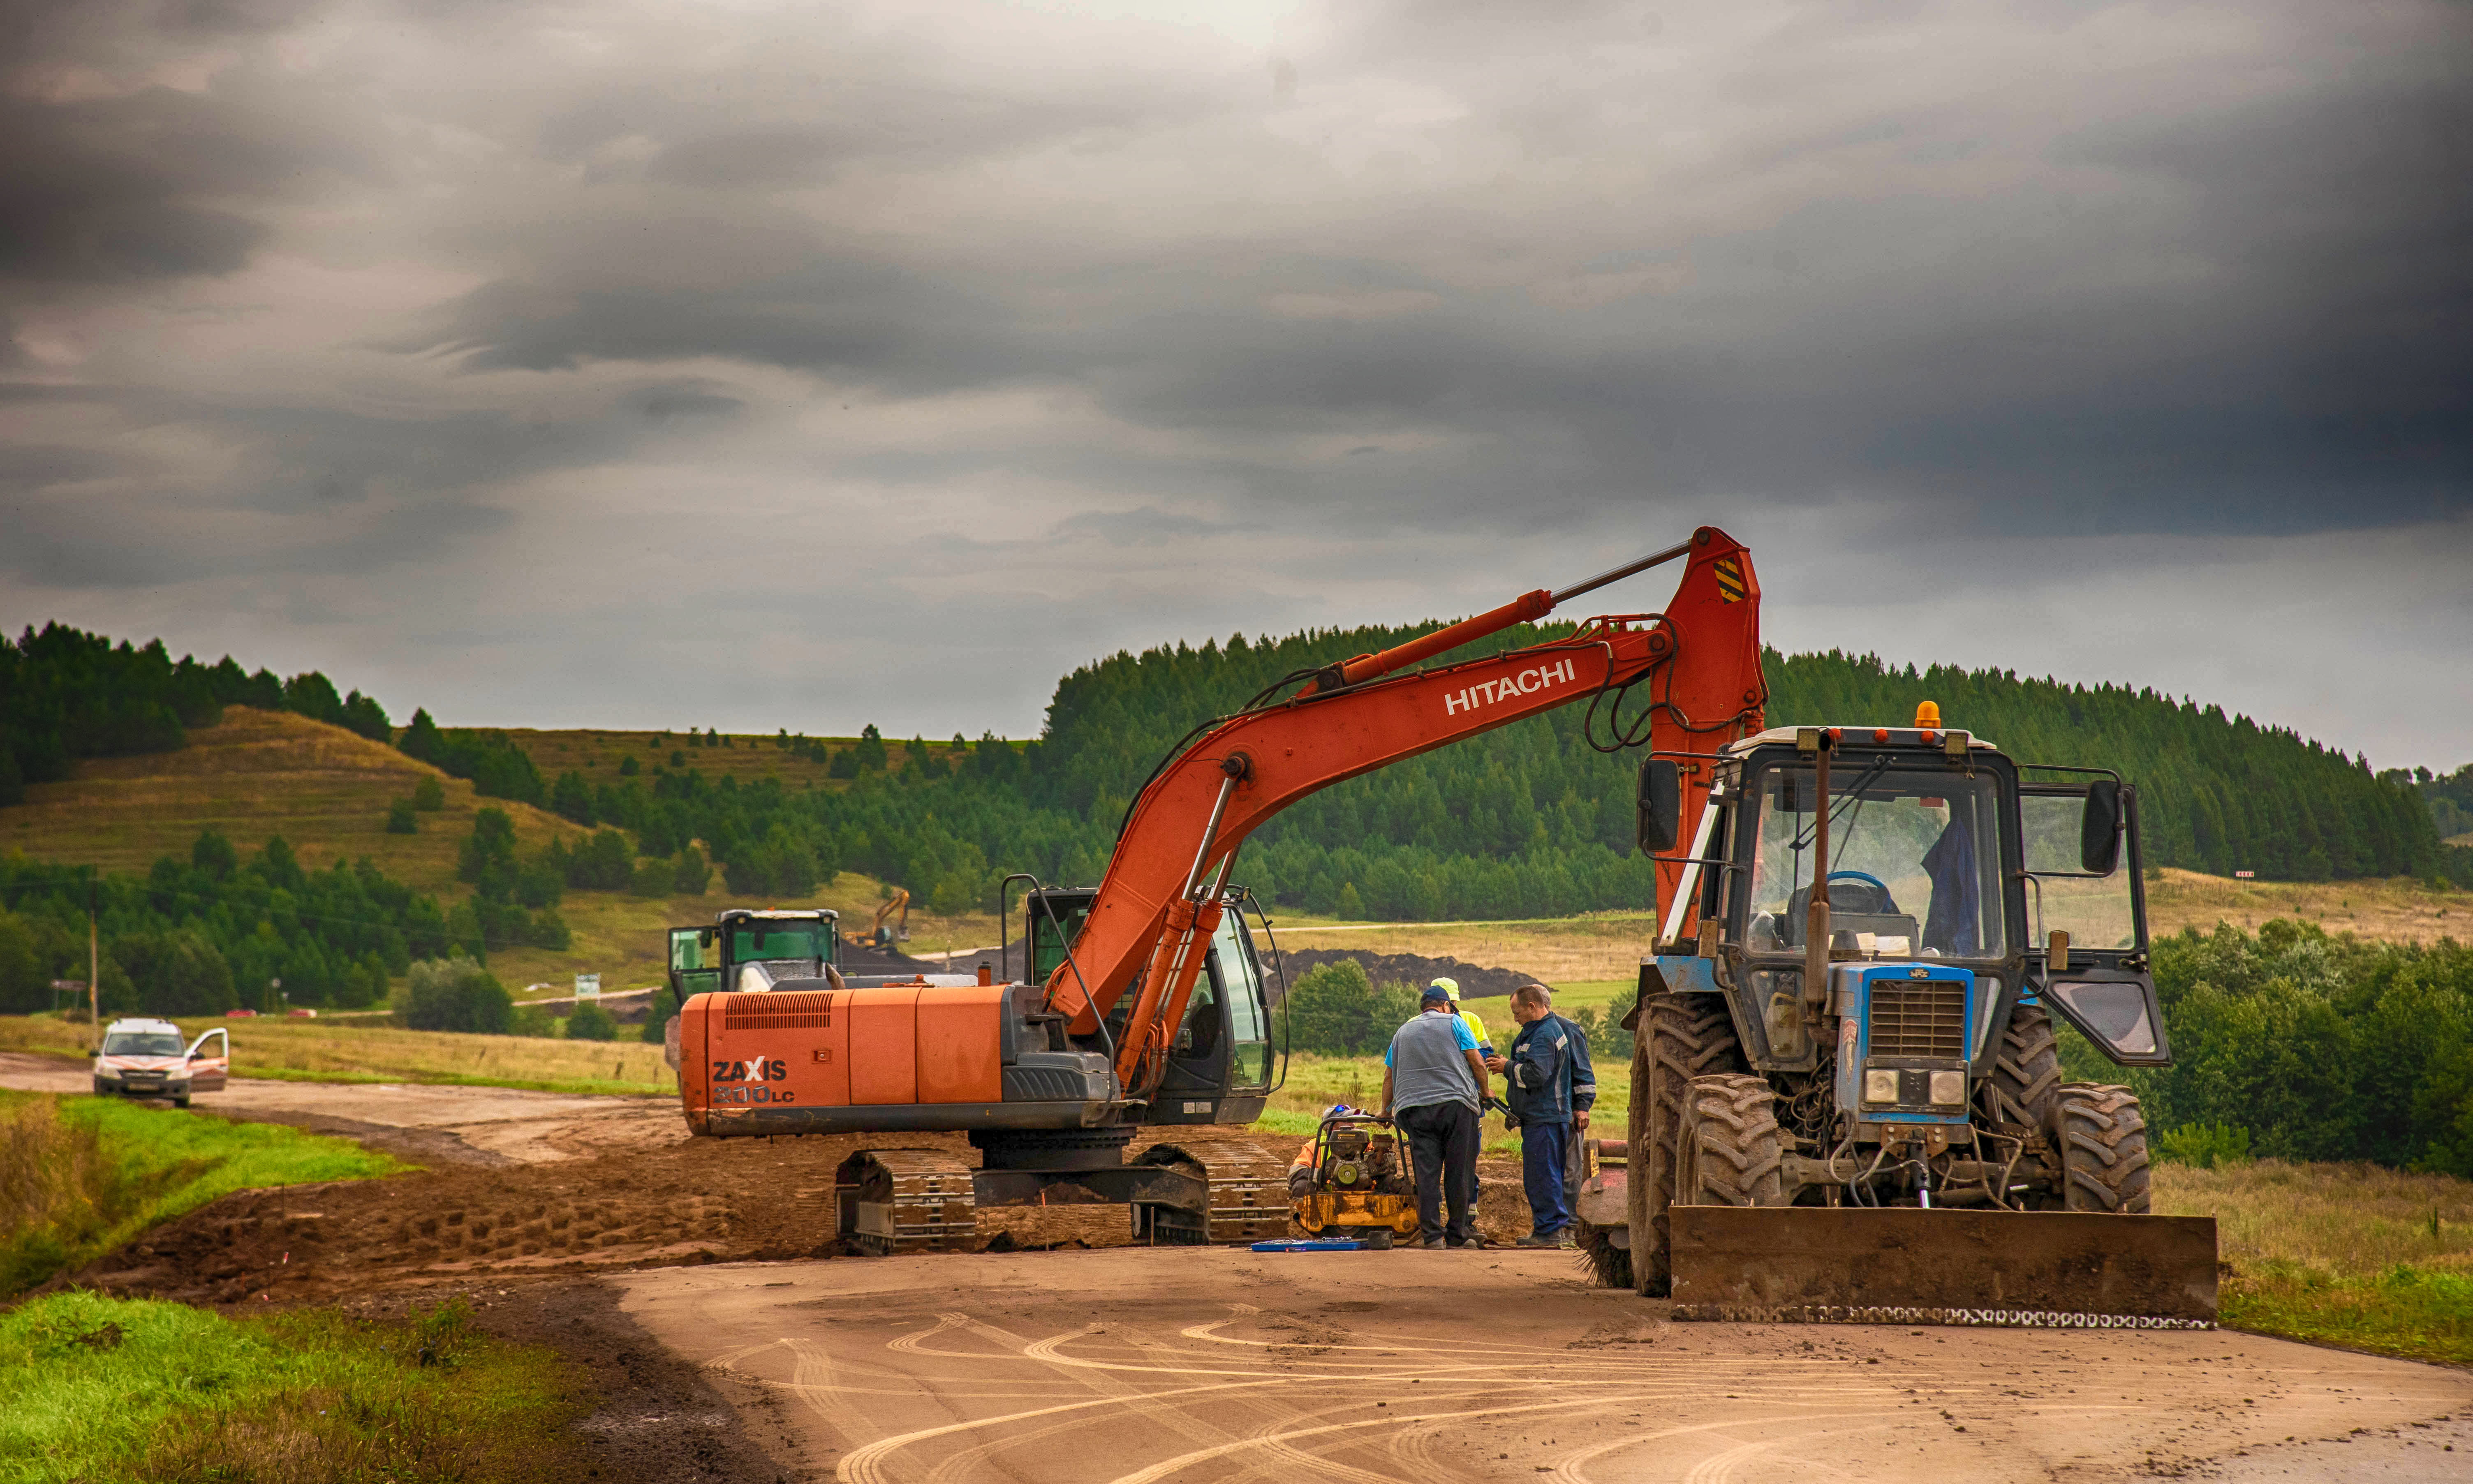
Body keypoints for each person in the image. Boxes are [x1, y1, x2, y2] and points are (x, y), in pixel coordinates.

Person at [1380, 984, 1493, 1249]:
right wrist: (1486, 1091)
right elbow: (1476, 1060)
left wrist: (1385, 1110)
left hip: (1414, 1109)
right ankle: (1457, 1234)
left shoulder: (1402, 1031)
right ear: (1445, 1006)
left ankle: (1432, 1236)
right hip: (1455, 1106)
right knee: (1459, 1170)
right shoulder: (1455, 1022)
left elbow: (1389, 1075)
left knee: (1426, 1173)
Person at [1485, 983, 1596, 1248]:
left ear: (1533, 1007)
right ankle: (1551, 1229)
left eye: (1517, 1012)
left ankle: (1551, 1232)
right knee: (1546, 1175)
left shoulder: (1547, 1033)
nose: (1515, 1018)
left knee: (1545, 1176)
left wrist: (1507, 1067)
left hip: (1546, 1116)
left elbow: (1537, 1074)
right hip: (1540, 1115)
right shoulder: (1535, 1032)